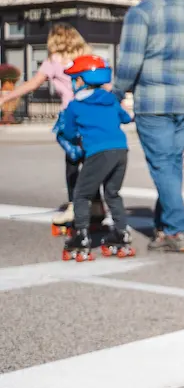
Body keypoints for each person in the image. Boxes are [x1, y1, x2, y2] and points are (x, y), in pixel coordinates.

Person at [113, 0, 184, 253]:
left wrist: (116, 93)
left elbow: (130, 62)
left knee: (162, 166)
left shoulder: (141, 13)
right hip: (183, 102)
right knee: (171, 165)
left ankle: (174, 230)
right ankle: (163, 224)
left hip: (153, 101)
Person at [0, 23, 93, 225]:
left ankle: (74, 205)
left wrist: (6, 98)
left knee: (72, 162)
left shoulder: (54, 60)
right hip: (92, 115)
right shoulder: (86, 56)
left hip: (71, 117)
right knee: (92, 161)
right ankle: (96, 205)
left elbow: (33, 84)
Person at [55, 55, 134, 261]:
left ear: (81, 80)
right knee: (112, 193)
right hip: (121, 150)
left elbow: (70, 133)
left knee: (82, 194)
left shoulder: (75, 105)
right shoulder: (111, 100)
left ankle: (81, 236)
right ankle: (121, 233)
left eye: (75, 79)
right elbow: (126, 118)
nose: (74, 83)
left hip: (99, 152)